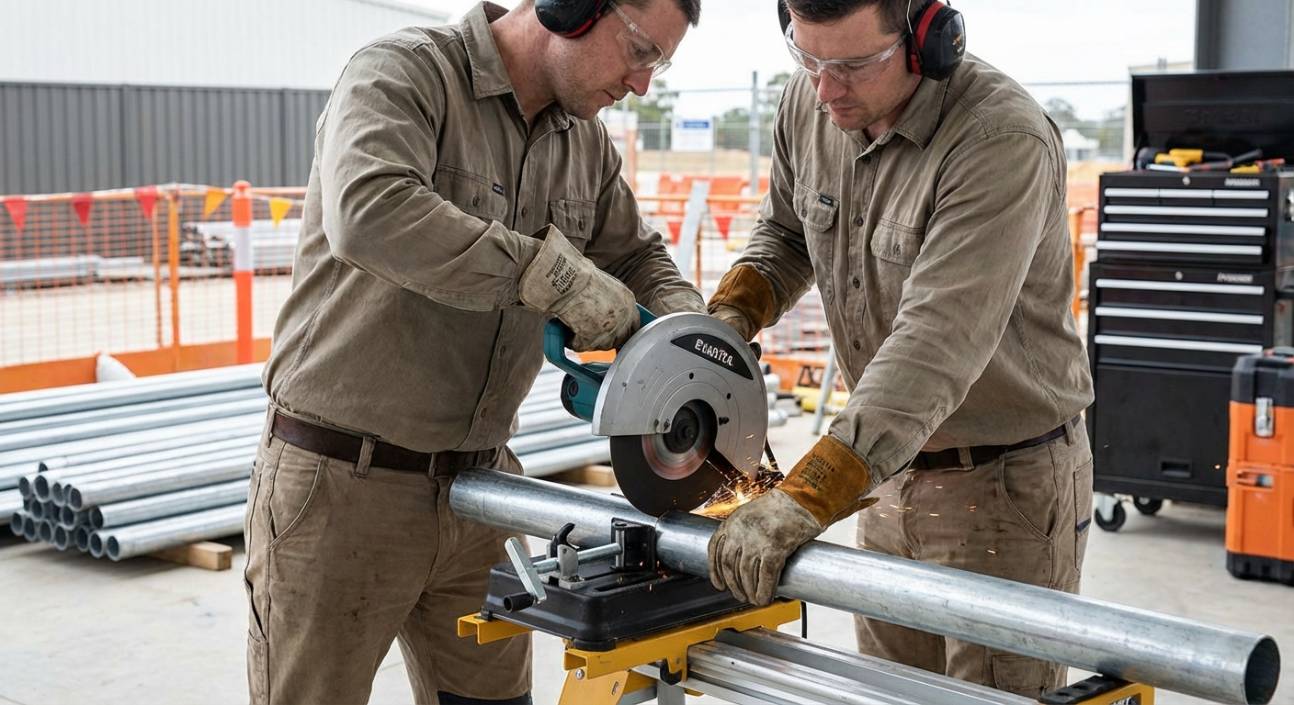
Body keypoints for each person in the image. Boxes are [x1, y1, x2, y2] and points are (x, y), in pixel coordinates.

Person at [243, 0, 703, 702]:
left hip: (483, 493)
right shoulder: (403, 75)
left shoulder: (583, 143)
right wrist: (548, 276)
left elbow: (638, 257)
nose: (641, 83)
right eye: (640, 51)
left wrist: (694, 337)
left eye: (658, 65)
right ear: (572, 8)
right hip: (342, 487)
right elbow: (370, 211)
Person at [705, 0, 1094, 697]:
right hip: (883, 472)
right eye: (807, 57)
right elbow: (786, 235)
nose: (825, 89)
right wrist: (728, 319)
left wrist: (809, 493)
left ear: (926, 39)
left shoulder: (1000, 139)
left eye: (853, 65)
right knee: (887, 691)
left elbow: (935, 342)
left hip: (1002, 484)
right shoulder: (811, 102)